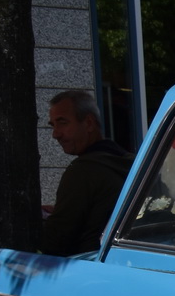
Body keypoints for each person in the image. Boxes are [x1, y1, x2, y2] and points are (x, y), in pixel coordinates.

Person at [42, 90, 132, 256]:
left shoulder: (82, 171)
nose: (56, 134)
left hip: (91, 267)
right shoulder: (129, 163)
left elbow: (55, 242)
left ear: (89, 123)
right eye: (53, 125)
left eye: (62, 123)